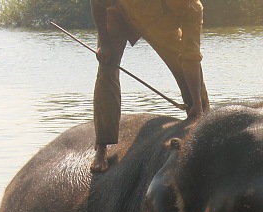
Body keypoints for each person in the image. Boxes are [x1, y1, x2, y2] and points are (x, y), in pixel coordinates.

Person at [90, 0, 210, 173]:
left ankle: (204, 126)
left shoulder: (193, 9)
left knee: (183, 65)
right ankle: (101, 146)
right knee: (107, 68)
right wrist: (104, 44)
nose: (185, 4)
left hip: (158, 25)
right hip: (119, 13)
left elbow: (191, 57)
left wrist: (197, 103)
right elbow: (97, 2)